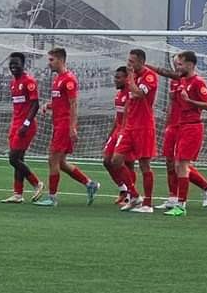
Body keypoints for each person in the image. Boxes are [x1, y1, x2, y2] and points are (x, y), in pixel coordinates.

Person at [153, 51, 207, 217]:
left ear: (190, 64)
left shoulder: (198, 82)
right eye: (177, 64)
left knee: (182, 166)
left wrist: (190, 101)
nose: (178, 67)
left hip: (193, 127)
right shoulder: (183, 80)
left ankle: (181, 205)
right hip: (182, 126)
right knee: (178, 166)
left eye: (180, 64)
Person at [34, 48, 99, 207]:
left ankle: (52, 197)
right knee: (61, 162)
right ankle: (89, 183)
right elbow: (60, 102)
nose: (49, 63)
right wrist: (48, 105)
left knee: (52, 159)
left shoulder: (69, 79)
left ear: (60, 60)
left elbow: (73, 104)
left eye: (51, 60)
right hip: (58, 124)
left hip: (64, 125)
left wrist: (72, 127)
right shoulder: (58, 79)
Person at [112, 49, 158, 213]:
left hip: (144, 126)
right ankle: (134, 195)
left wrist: (130, 75)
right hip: (129, 127)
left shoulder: (149, 76)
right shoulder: (135, 76)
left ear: (140, 61)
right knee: (116, 160)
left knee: (144, 164)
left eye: (132, 61)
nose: (129, 64)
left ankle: (147, 204)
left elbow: (138, 93)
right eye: (128, 61)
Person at [1, 52, 44, 203]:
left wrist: (26, 124)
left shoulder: (29, 81)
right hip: (16, 124)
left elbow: (35, 104)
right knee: (19, 159)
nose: (13, 66)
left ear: (23, 64)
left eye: (16, 64)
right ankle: (18, 194)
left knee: (13, 158)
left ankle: (36, 183)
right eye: (11, 64)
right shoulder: (13, 83)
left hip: (26, 126)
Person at [102, 67, 137, 206]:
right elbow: (118, 118)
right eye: (115, 77)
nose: (115, 80)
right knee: (106, 161)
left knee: (128, 164)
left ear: (127, 79)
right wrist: (111, 134)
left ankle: (131, 195)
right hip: (118, 131)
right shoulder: (119, 94)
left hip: (128, 132)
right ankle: (123, 189)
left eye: (118, 77)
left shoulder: (131, 94)